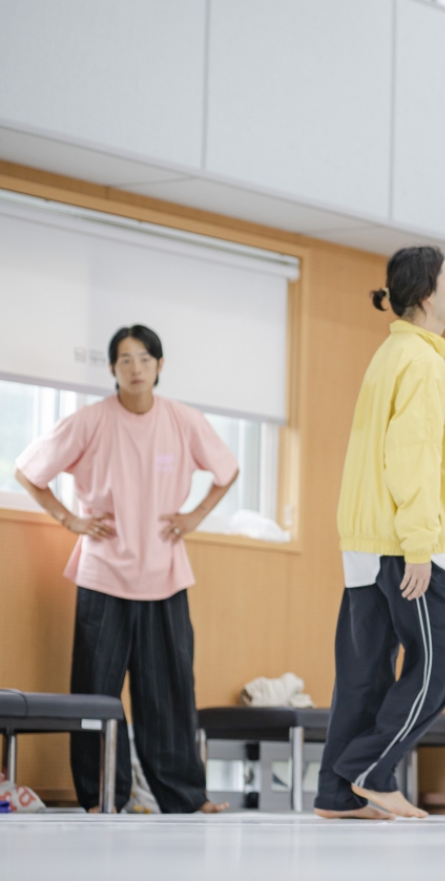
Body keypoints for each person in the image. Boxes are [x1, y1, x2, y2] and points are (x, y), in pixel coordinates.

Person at [15, 325, 239, 814]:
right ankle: (101, 797)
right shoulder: (91, 421)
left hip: (166, 574)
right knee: (97, 693)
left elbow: (226, 470)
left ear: (160, 366)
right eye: (124, 360)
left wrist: (195, 516)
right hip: (104, 575)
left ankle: (184, 797)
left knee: (171, 692)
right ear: (113, 369)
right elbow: (29, 471)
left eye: (144, 359)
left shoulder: (183, 420)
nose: (135, 368)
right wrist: (68, 518)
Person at [314, 246, 445, 821]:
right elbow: (411, 460)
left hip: (363, 538)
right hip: (398, 542)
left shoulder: (390, 353)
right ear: (427, 293)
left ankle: (337, 795)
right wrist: (421, 545)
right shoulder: (425, 364)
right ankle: (371, 770)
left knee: (365, 672)